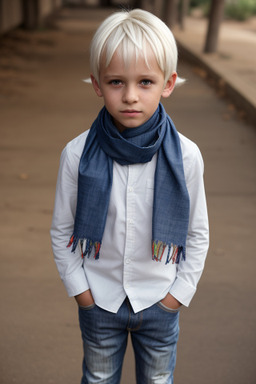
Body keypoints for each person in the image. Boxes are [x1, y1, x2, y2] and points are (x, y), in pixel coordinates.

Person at [50, 8, 209, 384]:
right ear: (97, 84)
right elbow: (62, 231)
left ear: (168, 84)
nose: (131, 96)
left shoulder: (186, 156)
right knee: (99, 378)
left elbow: (197, 234)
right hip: (99, 301)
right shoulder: (77, 154)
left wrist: (175, 298)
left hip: (160, 300)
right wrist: (83, 295)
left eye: (146, 82)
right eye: (117, 82)